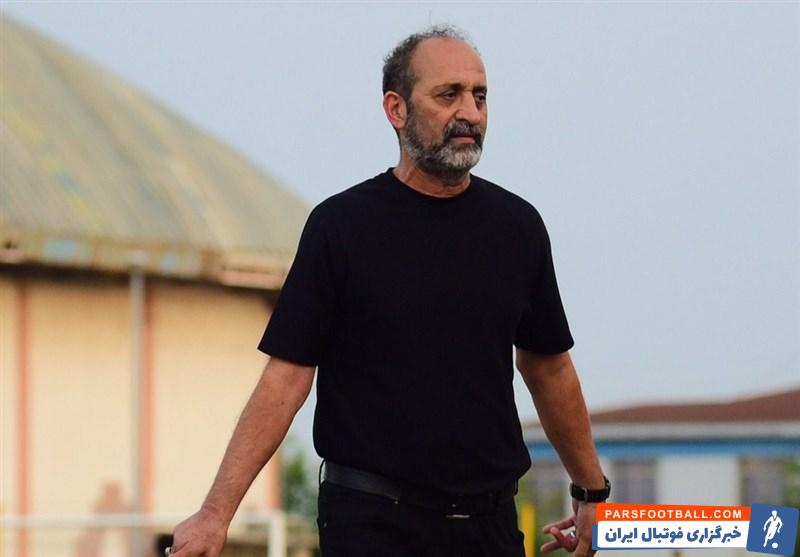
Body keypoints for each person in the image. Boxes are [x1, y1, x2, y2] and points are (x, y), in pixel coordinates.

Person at [170, 25, 607, 557]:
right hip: (372, 524)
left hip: (488, 527)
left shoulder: (517, 228)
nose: (469, 112)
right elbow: (286, 378)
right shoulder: (340, 227)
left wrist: (591, 492)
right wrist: (215, 514)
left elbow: (549, 368)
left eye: (480, 96)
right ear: (396, 109)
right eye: (448, 95)